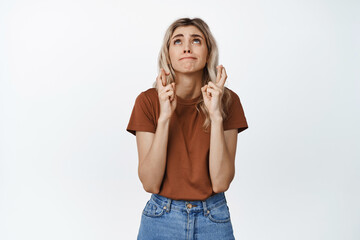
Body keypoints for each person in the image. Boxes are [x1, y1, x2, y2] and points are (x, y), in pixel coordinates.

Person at [126, 17, 248, 240]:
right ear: (168, 54)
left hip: (213, 218)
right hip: (161, 218)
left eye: (196, 41)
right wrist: (164, 118)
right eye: (178, 41)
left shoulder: (228, 100)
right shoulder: (148, 101)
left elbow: (221, 182)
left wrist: (216, 116)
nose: (187, 48)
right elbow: (150, 182)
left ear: (208, 52)